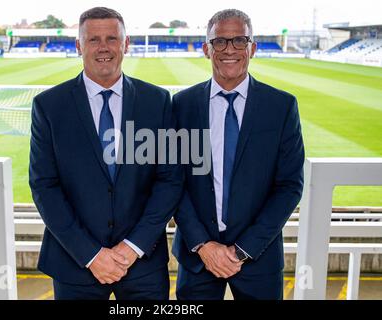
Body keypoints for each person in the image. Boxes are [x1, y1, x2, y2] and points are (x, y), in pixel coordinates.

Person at [29, 7, 182, 300]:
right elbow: (44, 186)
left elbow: (169, 181)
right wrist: (91, 254)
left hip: (142, 264)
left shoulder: (157, 101)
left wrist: (132, 247)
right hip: (76, 264)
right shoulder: (49, 106)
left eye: (112, 38)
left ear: (126, 44)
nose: (103, 47)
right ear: (78, 46)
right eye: (93, 39)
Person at [171, 9, 305, 300]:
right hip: (197, 258)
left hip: (260, 259)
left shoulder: (280, 107)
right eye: (220, 41)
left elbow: (289, 186)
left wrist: (243, 249)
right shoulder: (181, 105)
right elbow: (172, 182)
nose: (229, 49)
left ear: (252, 48)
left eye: (239, 41)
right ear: (206, 49)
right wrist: (203, 245)